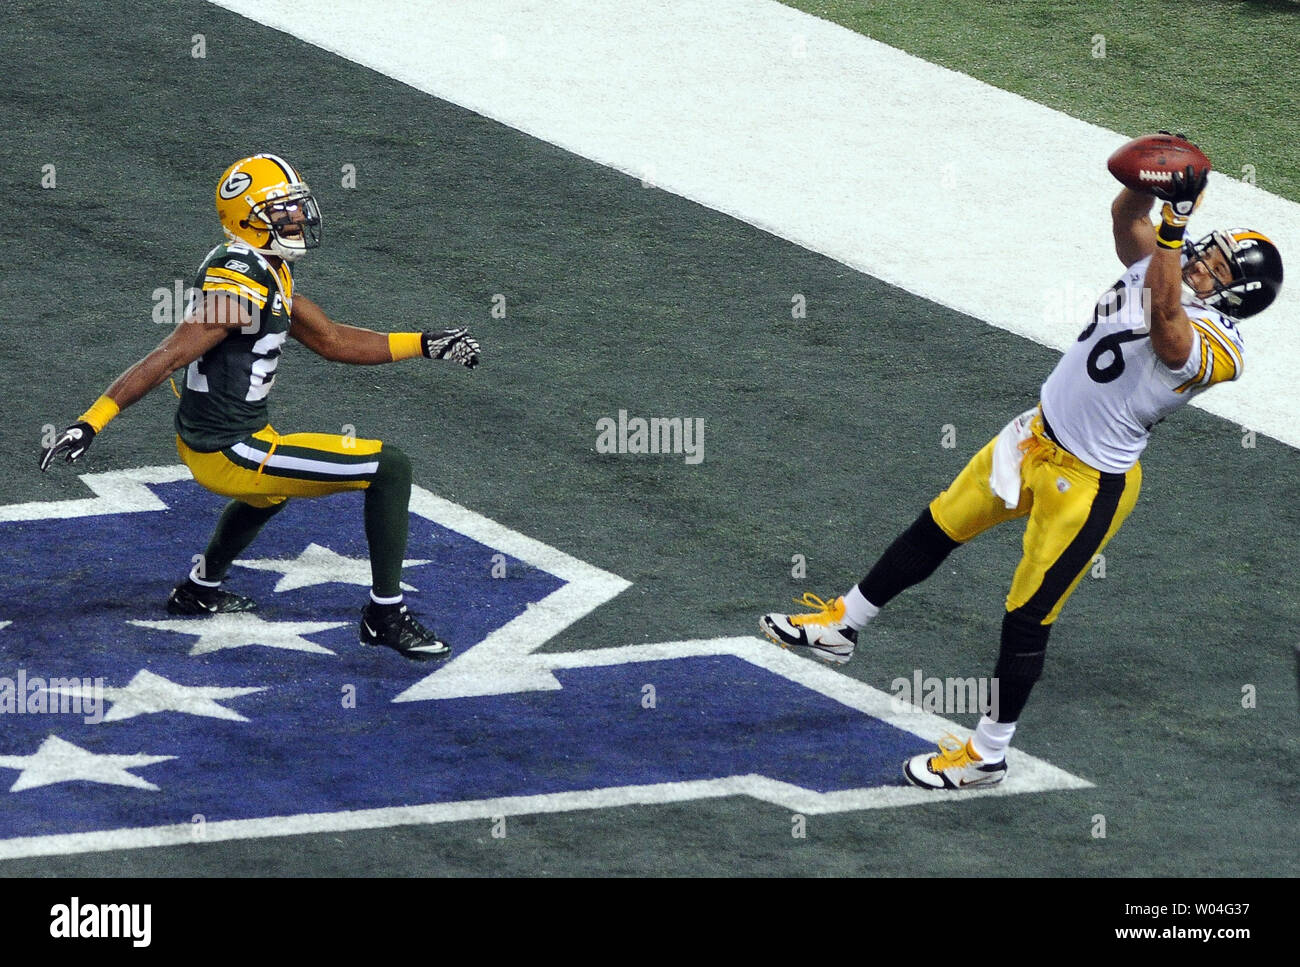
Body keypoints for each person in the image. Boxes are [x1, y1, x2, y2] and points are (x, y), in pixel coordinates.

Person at [761, 152, 1283, 789]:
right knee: (936, 527)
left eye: (1218, 265)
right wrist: (1152, 182)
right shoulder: (1162, 265)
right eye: (1206, 250)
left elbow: (1167, 327)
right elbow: (1126, 217)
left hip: (1088, 485)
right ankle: (842, 625)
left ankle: (988, 753)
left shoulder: (1222, 347)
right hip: (1034, 434)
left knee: (1027, 614)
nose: (1202, 260)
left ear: (1240, 294)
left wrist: (1172, 231)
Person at [39, 153, 481, 662]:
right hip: (229, 449)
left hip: (233, 435)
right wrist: (91, 422)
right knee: (390, 467)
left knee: (268, 497)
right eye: (283, 210)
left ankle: (199, 589)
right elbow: (166, 357)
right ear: (248, 217)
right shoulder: (239, 287)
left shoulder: (262, 267)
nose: (298, 218)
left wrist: (424, 343)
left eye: (296, 207)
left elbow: (332, 339)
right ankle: (384, 616)